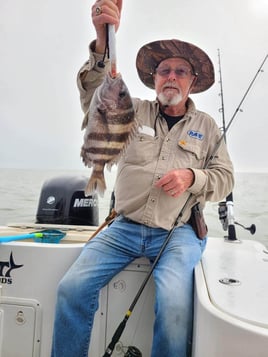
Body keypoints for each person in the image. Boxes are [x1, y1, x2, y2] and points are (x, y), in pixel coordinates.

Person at [51, 1, 234, 356]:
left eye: (181, 71)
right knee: (71, 288)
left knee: (174, 305)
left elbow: (225, 179)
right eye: (165, 70)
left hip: (178, 234)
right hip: (123, 227)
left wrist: (192, 177)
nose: (171, 76)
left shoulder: (207, 127)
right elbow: (94, 93)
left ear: (192, 82)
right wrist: (103, 42)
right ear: (154, 78)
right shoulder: (129, 109)